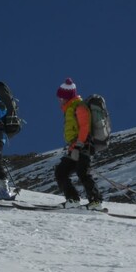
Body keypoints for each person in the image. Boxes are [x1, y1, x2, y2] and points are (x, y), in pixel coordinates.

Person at [54, 78, 103, 210]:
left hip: (83, 146)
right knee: (61, 172)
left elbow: (85, 127)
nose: (59, 100)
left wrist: (79, 144)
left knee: (83, 172)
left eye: (61, 97)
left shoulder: (79, 107)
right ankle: (73, 199)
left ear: (67, 96)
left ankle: (95, 202)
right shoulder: (70, 108)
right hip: (75, 147)